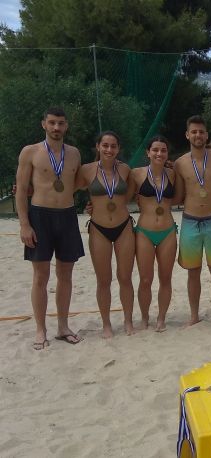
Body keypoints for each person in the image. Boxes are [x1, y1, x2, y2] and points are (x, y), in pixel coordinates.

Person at [15, 107, 84, 349]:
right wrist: (24, 224)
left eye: (61, 123)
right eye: (52, 122)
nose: (56, 127)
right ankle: (40, 329)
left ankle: (63, 326)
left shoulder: (74, 153)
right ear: (43, 124)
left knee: (66, 275)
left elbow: (76, 184)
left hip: (67, 216)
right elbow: (21, 190)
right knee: (40, 276)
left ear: (66, 126)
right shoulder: (30, 152)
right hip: (40, 216)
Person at [76, 131, 136, 338]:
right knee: (104, 280)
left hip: (123, 227)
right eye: (105, 145)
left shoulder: (125, 169)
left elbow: (131, 194)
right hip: (99, 228)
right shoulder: (87, 170)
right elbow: (67, 188)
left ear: (118, 149)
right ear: (98, 146)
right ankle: (106, 324)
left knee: (125, 277)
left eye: (113, 146)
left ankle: (128, 320)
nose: (109, 150)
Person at [174, 115, 211, 327]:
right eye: (194, 132)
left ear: (206, 135)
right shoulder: (180, 163)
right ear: (187, 135)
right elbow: (177, 196)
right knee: (193, 271)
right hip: (190, 221)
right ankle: (194, 315)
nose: (198, 135)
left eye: (201, 132)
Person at [131, 136, 178, 332]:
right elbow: (121, 196)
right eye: (155, 150)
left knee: (165, 278)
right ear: (148, 152)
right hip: (145, 231)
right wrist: (92, 206)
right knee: (145, 279)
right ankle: (144, 317)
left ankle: (161, 317)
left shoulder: (172, 174)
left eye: (163, 150)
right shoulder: (136, 174)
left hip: (168, 231)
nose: (159, 153)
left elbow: (182, 196)